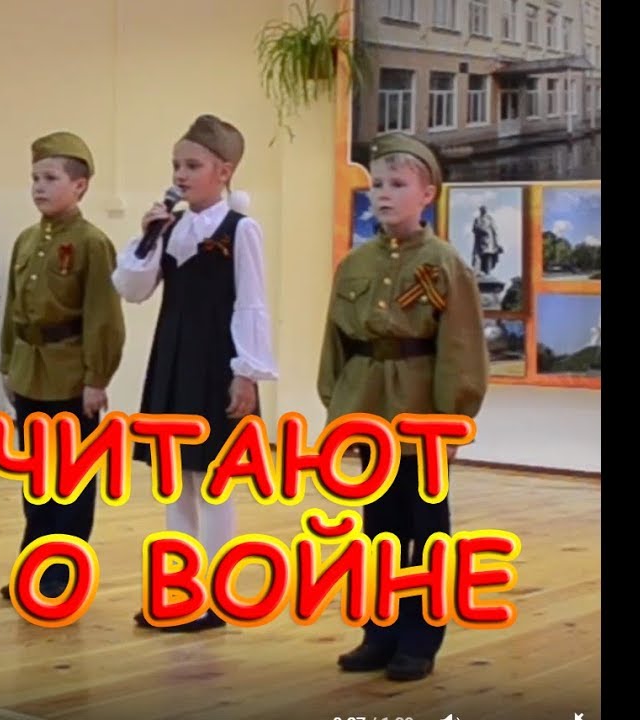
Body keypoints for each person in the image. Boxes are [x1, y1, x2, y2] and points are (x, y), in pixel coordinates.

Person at [317, 132, 489, 682]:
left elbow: (460, 349)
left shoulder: (445, 264)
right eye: (377, 185)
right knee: (379, 528)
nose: (384, 194)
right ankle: (380, 632)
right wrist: (338, 406)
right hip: (368, 407)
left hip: (422, 414)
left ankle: (419, 640)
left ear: (427, 194)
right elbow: (336, 344)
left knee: (426, 530)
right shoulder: (355, 263)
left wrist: (452, 422)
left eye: (397, 184)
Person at [112, 114, 278, 632]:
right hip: (172, 358)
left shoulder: (241, 229)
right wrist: (147, 236)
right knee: (174, 479)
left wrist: (246, 372)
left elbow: (252, 301)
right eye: (176, 166)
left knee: (211, 480)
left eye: (192, 165)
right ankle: (178, 589)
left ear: (223, 171)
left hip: (215, 363)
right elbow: (133, 289)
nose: (181, 175)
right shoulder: (171, 228)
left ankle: (213, 594)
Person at [0, 131, 125, 600]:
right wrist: (7, 363)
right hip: (30, 371)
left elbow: (103, 317)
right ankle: (33, 564)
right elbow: (12, 308)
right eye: (35, 177)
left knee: (70, 481)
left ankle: (62, 572)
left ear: (80, 186)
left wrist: (97, 377)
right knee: (37, 479)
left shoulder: (92, 243)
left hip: (71, 375)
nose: (39, 186)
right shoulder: (27, 240)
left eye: (50, 178)